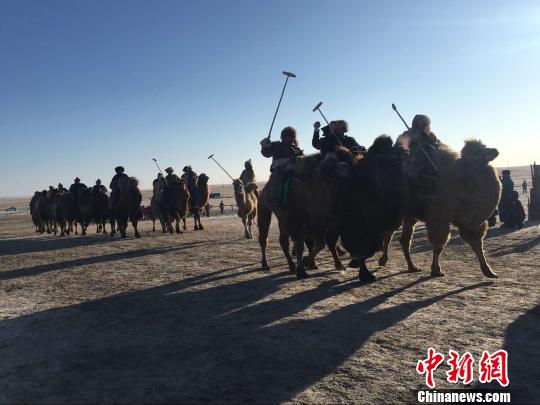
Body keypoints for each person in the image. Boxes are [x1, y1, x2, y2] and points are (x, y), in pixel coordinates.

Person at [260, 126, 303, 207]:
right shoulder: (276, 145)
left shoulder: (296, 148)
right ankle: (276, 197)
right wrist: (265, 146)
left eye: (290, 137)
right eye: (287, 136)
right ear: (283, 137)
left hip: (293, 166)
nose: (289, 138)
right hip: (279, 167)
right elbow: (266, 153)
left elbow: (300, 158)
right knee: (278, 176)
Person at [399, 114, 440, 198]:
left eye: (425, 123)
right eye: (422, 123)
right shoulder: (408, 134)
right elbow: (400, 146)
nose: (424, 125)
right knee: (410, 174)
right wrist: (407, 152)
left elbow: (438, 145)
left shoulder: (431, 135)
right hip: (413, 160)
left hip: (430, 160)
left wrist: (434, 147)